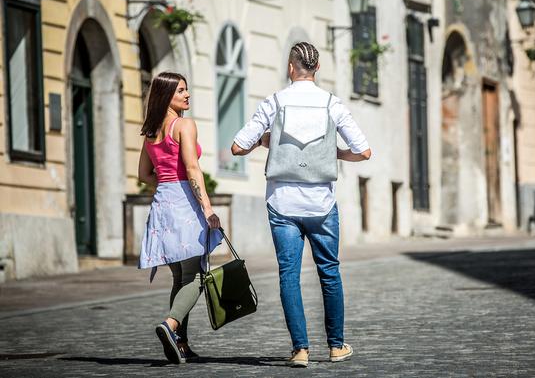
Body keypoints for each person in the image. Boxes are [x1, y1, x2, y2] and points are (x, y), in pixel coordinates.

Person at [231, 42, 371, 368]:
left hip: (282, 203)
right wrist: (334, 153)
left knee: (289, 277)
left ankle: (300, 350)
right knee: (330, 273)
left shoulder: (274, 102)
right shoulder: (332, 104)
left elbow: (239, 146)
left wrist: (267, 140)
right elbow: (363, 151)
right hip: (321, 203)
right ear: (317, 69)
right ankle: (336, 346)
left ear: (290, 68)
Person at [137, 71, 222, 364]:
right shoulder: (184, 125)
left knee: (179, 278)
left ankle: (180, 344)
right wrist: (207, 208)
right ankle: (171, 325)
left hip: (162, 205)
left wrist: (167, 183)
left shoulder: (150, 131)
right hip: (185, 204)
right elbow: (192, 167)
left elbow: (144, 174)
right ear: (167, 96)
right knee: (197, 276)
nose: (187, 95)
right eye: (181, 91)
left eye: (186, 90)